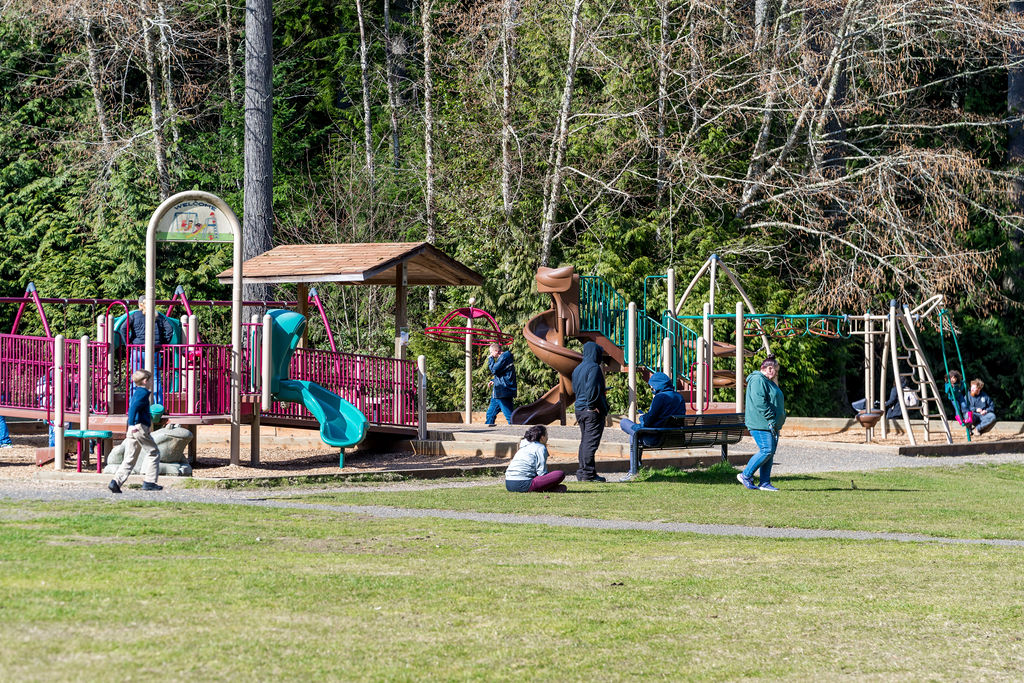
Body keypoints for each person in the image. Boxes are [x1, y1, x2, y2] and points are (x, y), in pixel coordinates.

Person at [619, 372, 686, 481]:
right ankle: (634, 470)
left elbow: (648, 421)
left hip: (656, 438)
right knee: (635, 435)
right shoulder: (679, 397)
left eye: (652, 385)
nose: (651, 387)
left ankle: (634, 471)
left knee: (625, 423)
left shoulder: (660, 397)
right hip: (675, 437)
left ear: (658, 384)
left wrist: (641, 417)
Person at [108, 370, 163, 494]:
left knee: (130, 457)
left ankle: (116, 482)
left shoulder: (137, 392)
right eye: (150, 380)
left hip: (134, 428)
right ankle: (149, 482)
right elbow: (133, 408)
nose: (151, 382)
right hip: (139, 428)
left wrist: (131, 425)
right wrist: (132, 424)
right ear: (145, 381)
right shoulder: (143, 393)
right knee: (154, 452)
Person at [738, 356, 786, 492]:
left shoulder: (767, 381)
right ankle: (745, 475)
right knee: (767, 450)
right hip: (762, 423)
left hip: (771, 424)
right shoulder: (758, 379)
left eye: (776, 370)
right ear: (767, 368)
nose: (775, 373)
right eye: (774, 369)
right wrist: (771, 418)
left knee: (769, 453)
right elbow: (760, 402)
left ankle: (765, 482)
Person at [571, 341, 609, 482]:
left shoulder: (578, 368)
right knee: (590, 443)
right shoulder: (594, 368)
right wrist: (592, 405)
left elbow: (576, 389)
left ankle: (584, 472)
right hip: (591, 410)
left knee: (585, 442)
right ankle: (587, 474)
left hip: (580, 409)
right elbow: (591, 388)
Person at [125, 297, 168, 405]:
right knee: (155, 378)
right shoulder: (158, 315)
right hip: (154, 351)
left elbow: (122, 328)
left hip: (137, 350)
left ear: (140, 304)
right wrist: (161, 343)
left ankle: (134, 405)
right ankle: (157, 405)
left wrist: (128, 343)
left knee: (136, 378)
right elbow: (169, 329)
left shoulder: (134, 315)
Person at [504, 425, 567, 492]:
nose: (547, 437)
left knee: (560, 487)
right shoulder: (540, 448)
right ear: (542, 437)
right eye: (546, 435)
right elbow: (541, 472)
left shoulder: (524, 447)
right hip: (524, 483)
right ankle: (544, 488)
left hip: (509, 483)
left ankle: (548, 488)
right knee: (559, 474)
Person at [485, 342, 517, 426]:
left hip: (503, 391)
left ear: (496, 351)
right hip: (499, 391)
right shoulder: (505, 358)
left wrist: (491, 359)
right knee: (490, 414)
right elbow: (504, 374)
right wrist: (494, 380)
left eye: (491, 353)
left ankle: (516, 431)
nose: (490, 355)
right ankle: (487, 432)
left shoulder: (504, 357)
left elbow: (494, 370)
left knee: (510, 416)